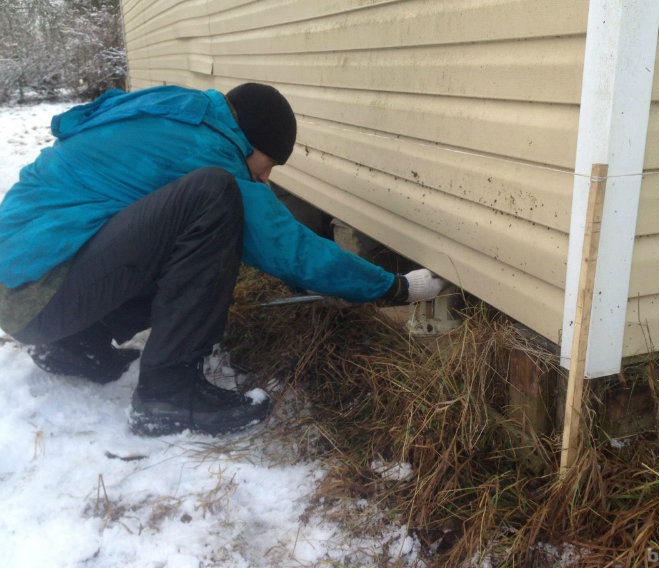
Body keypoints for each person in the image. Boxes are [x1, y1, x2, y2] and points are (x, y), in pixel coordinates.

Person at [0, 83, 446, 437]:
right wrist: (395, 286)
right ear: (249, 139)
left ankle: (75, 344)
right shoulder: (209, 150)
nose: (265, 177)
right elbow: (287, 247)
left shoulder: (183, 116)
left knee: (186, 231)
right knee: (214, 196)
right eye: (269, 164)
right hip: (38, 289)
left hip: (25, 280)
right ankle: (169, 392)